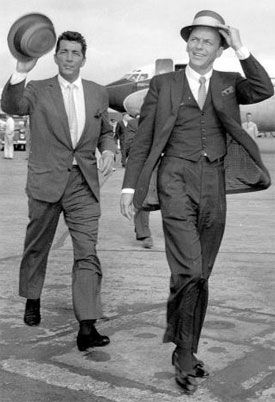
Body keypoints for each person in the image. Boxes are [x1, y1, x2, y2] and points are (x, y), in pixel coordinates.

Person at [120, 10, 273, 395]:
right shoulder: (164, 84)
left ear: (219, 48)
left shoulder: (228, 81)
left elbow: (263, 88)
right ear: (186, 43)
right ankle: (186, 355)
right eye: (193, 38)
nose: (198, 45)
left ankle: (183, 345)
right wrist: (129, 189)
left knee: (198, 273)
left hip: (214, 183)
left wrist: (241, 46)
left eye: (208, 40)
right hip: (174, 180)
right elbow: (143, 140)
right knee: (189, 268)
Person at [1, 31, 116, 351]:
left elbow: (106, 131)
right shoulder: (36, 89)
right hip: (45, 181)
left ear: (83, 59)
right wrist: (22, 69)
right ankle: (32, 298)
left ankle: (87, 325)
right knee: (37, 246)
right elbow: (11, 105)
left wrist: (108, 150)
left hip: (83, 183)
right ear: (54, 57)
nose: (68, 58)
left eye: (74, 53)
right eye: (62, 52)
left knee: (87, 251)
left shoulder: (97, 92)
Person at [126, 115, 153, 249]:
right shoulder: (134, 124)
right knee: (143, 198)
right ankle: (144, 233)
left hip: (167, 164)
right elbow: (130, 145)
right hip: (144, 164)